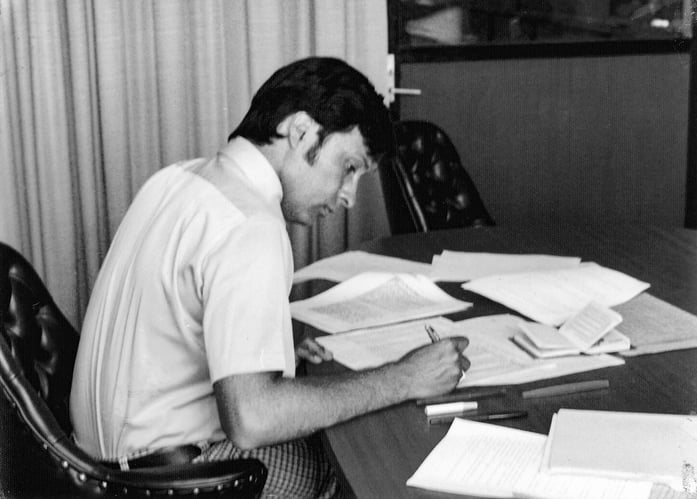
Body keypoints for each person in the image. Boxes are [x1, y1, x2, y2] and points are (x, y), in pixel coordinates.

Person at [70, 56, 470, 498]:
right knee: (360, 462)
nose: (350, 196)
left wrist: (249, 352)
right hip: (162, 481)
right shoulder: (251, 224)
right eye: (350, 167)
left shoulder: (179, 179)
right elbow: (253, 420)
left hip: (90, 466)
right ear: (300, 131)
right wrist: (403, 378)